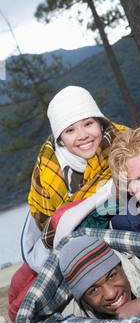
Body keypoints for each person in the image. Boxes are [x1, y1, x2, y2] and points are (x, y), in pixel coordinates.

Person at [28, 85, 127, 250]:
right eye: (70, 130)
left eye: (88, 124)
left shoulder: (128, 145)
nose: (82, 136)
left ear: (101, 124)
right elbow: (47, 226)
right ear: (60, 140)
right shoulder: (46, 173)